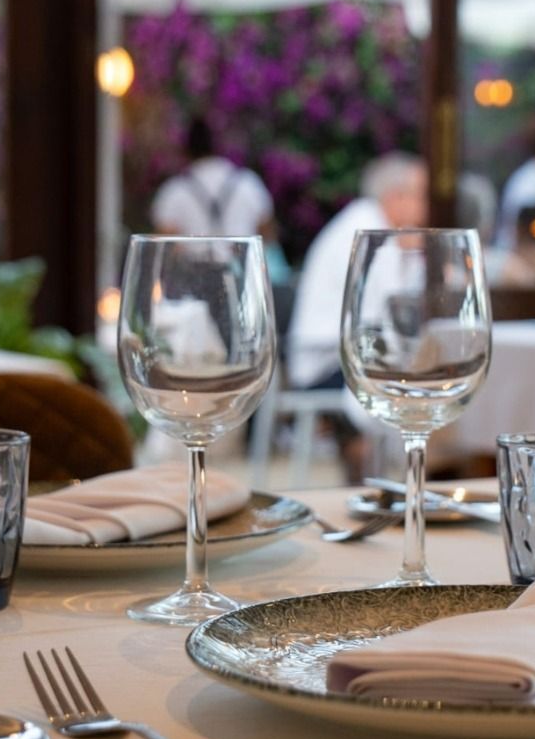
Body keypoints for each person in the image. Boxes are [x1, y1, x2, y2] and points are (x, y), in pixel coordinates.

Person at [287, 152, 428, 482]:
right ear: (396, 197)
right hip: (324, 361)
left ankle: (382, 489)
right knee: (420, 379)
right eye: (422, 195)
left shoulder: (368, 223)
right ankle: (389, 489)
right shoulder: (368, 232)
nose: (427, 205)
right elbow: (390, 316)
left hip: (336, 353)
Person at [151, 116, 277, 239]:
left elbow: (164, 245)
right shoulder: (248, 183)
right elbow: (268, 234)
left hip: (192, 260)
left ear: (186, 150)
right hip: (241, 259)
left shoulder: (173, 190)